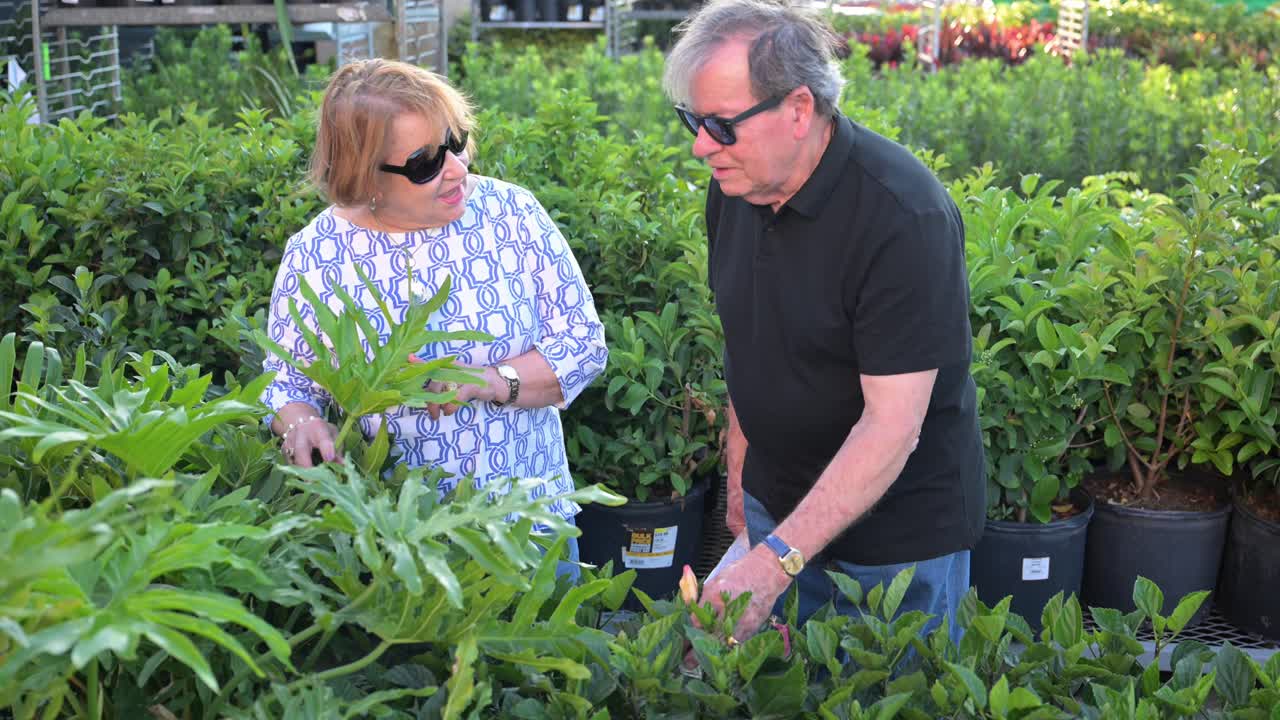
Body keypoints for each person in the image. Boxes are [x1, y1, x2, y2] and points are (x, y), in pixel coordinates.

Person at [663, 0, 984, 646]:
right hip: (775, 520)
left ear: (799, 109)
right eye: (692, 121)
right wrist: (741, 483)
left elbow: (892, 427)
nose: (701, 146)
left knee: (886, 689)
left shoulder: (903, 216)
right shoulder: (738, 189)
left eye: (721, 126)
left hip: (891, 551)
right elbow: (747, 342)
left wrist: (775, 561)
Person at [261, 59, 608, 576]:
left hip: (526, 523)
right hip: (391, 541)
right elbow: (285, 382)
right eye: (424, 162)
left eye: (455, 141)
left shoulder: (510, 214)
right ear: (363, 174)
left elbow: (583, 345)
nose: (457, 169)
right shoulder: (317, 254)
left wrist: (485, 380)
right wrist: (303, 423)